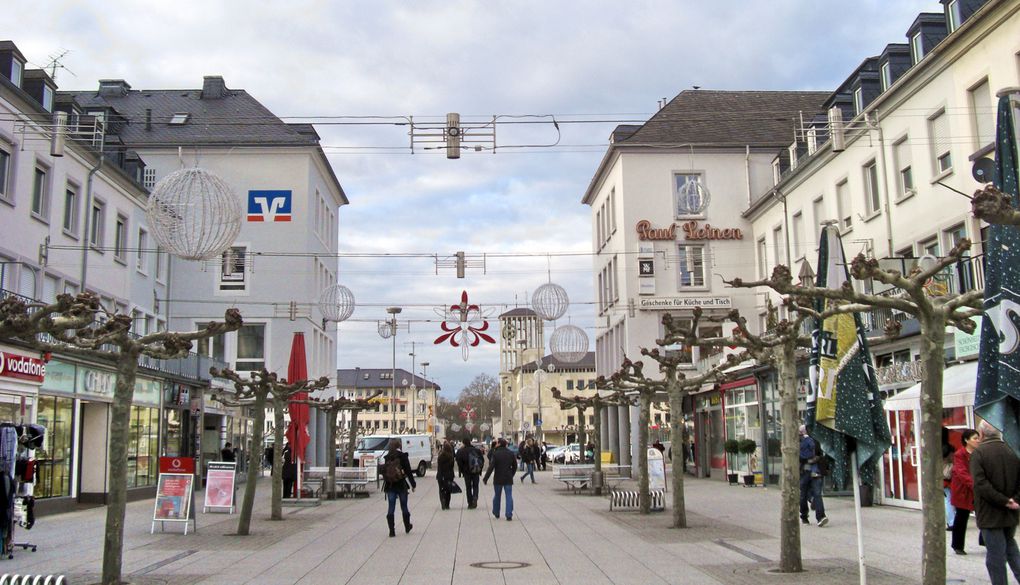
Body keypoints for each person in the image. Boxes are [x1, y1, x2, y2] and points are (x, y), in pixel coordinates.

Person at [971, 420, 1020, 585]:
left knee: (995, 556)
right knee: (1010, 547)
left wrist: (1004, 501)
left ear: (982, 434)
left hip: (990, 512)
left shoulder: (979, 453)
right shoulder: (1012, 450)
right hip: (1011, 511)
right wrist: (1014, 501)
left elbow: (980, 484)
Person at [950, 428, 980, 554]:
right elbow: (962, 473)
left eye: (978, 438)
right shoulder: (960, 454)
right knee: (962, 517)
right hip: (963, 491)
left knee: (985, 515)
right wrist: (976, 485)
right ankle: (957, 546)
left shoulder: (979, 453)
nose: (978, 440)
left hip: (977, 488)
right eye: (975, 438)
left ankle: (985, 540)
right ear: (966, 440)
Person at [382, 438, 417, 537]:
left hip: (390, 485)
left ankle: (392, 531)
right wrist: (413, 484)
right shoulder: (403, 456)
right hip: (401, 485)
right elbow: (408, 471)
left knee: (391, 507)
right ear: (399, 445)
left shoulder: (387, 457)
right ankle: (407, 526)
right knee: (404, 506)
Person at [799, 425, 828, 527]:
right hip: (816, 471)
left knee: (803, 495)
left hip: (804, 471)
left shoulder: (800, 442)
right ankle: (820, 517)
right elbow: (820, 455)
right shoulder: (816, 440)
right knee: (817, 494)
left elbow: (799, 457)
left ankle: (804, 517)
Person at [483, 438, 517, 521]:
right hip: (508, 477)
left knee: (497, 495)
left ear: (499, 444)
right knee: (509, 496)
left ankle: (496, 512)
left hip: (498, 477)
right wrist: (511, 474)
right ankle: (509, 514)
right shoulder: (511, 453)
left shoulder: (495, 454)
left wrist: (486, 478)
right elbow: (515, 466)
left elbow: (491, 467)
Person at [455, 439, 483, 509]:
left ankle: (470, 503)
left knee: (468, 487)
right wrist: (479, 470)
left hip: (466, 472)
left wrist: (462, 470)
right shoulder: (476, 450)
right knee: (475, 486)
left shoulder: (461, 451)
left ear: (464, 443)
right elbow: (482, 460)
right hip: (475, 471)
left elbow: (458, 461)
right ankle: (475, 497)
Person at [943, 427, 957, 531]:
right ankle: (953, 520)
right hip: (950, 476)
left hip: (942, 477)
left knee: (947, 499)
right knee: (950, 498)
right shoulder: (950, 448)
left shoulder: (933, 448)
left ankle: (951, 522)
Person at [436, 441, 455, 510]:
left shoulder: (440, 456)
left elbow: (439, 466)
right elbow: (452, 466)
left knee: (441, 489)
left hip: (441, 475)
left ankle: (442, 501)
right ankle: (447, 504)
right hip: (449, 475)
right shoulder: (451, 456)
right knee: (448, 490)